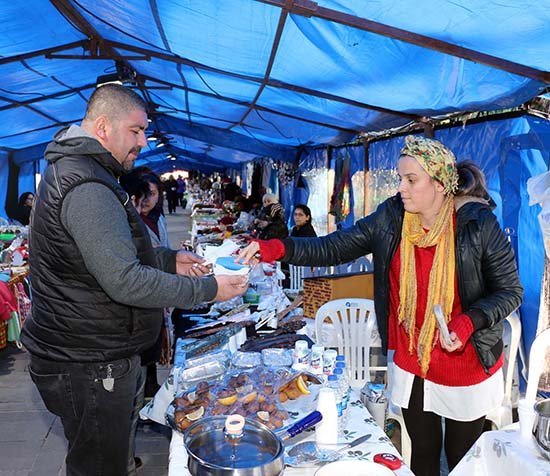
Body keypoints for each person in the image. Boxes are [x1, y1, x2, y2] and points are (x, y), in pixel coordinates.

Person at [239, 135, 523, 475]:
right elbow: (334, 247)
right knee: (423, 452)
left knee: (461, 457)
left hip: (467, 361)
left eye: (411, 180)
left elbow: (510, 291)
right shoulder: (392, 217)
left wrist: (468, 321)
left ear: (440, 183)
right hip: (414, 357)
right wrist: (277, 248)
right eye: (399, 178)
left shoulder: (477, 224)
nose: (401, 188)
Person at [21, 84, 248, 476]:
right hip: (89, 361)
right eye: (136, 130)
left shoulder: (89, 174)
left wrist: (169, 258)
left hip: (91, 352)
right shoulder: (86, 186)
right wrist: (208, 289)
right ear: (104, 127)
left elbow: (110, 254)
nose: (143, 141)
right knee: (98, 467)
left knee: (105, 460)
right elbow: (124, 280)